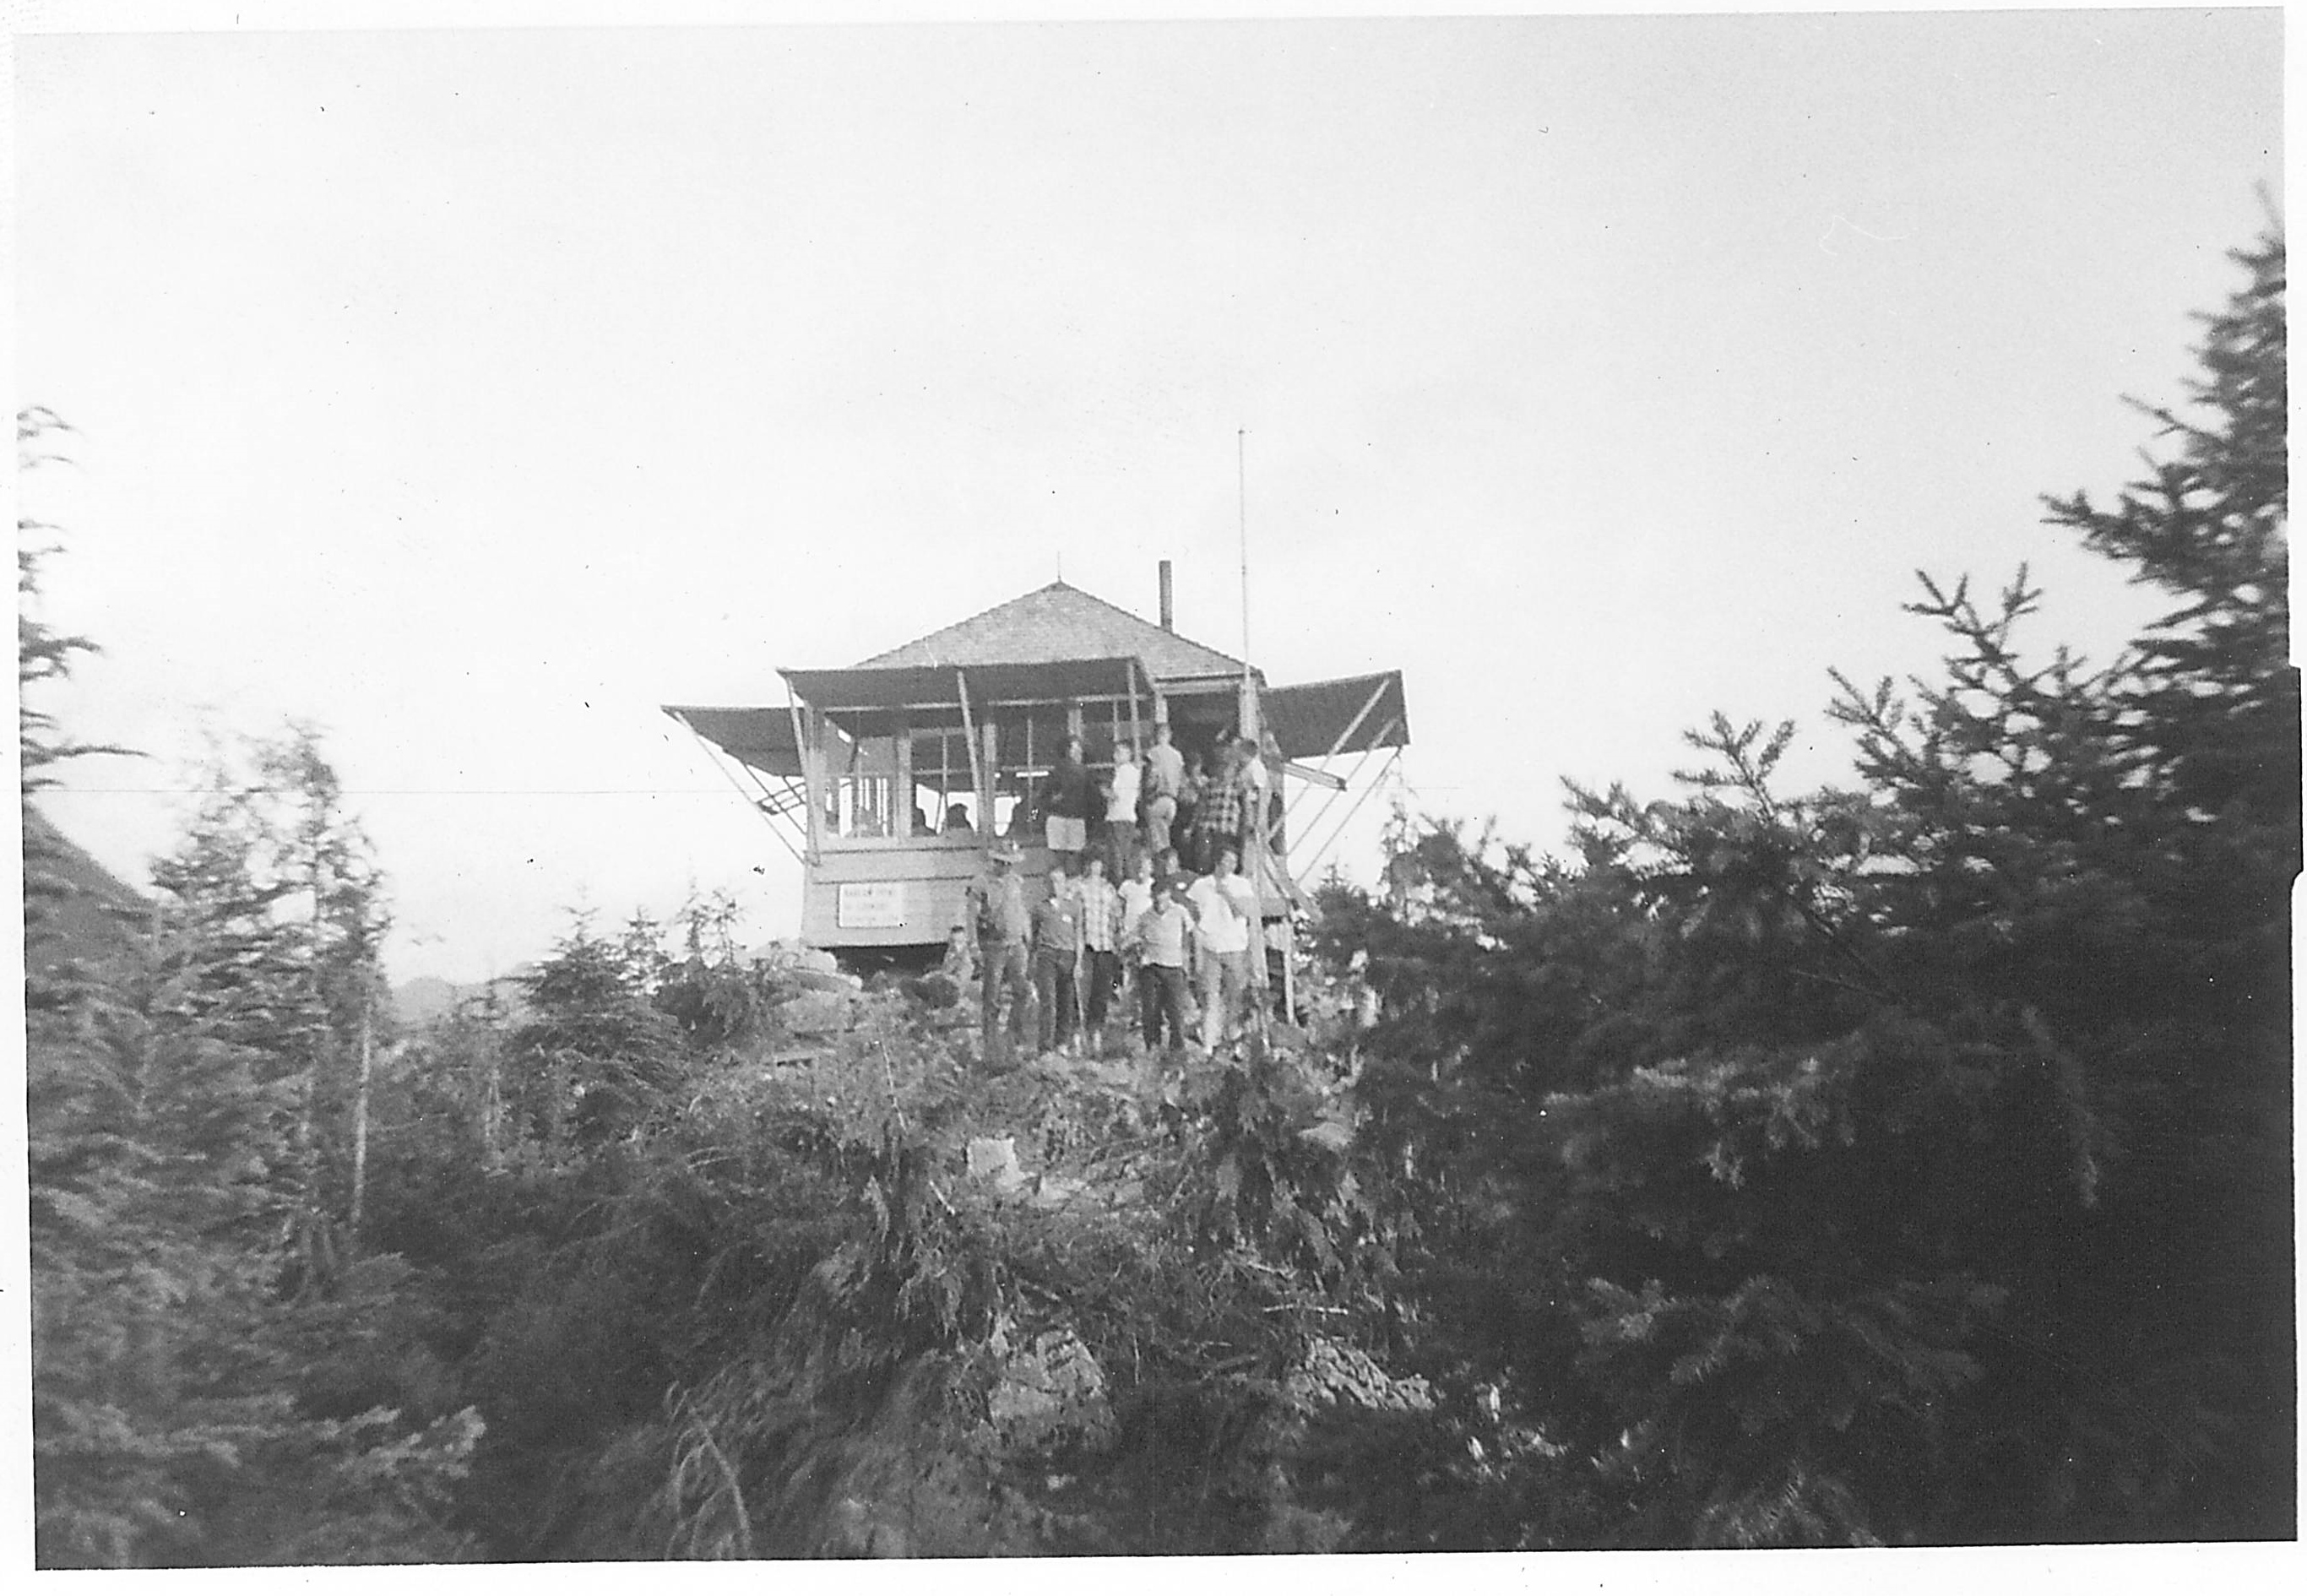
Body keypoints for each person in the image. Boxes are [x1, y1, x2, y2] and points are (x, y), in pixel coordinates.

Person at [965, 843, 1033, 1069]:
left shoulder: (1015, 882)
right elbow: (971, 917)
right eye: (1003, 863)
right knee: (991, 997)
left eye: (1010, 863)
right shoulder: (981, 883)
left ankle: (1013, 1038)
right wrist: (973, 945)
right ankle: (991, 1047)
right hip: (994, 945)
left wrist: (1027, 936)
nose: (1007, 867)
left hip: (1016, 943)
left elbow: (1020, 909)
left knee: (1022, 991)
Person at [1186, 845, 1257, 1050]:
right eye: (1228, 861)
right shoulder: (1201, 885)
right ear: (1218, 862)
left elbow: (1243, 912)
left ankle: (1233, 1042)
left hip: (1234, 947)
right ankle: (1209, 1044)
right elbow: (1190, 910)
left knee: (1236, 997)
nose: (1232, 865)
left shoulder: (1242, 884)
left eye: (1234, 862)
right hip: (1210, 948)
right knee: (1210, 998)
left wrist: (1227, 894)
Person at [1132, 872, 1195, 1060]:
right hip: (1151, 966)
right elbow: (1136, 936)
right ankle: (1153, 1048)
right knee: (1150, 1010)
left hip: (1174, 966)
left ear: (1169, 895)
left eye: (1164, 896)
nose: (1160, 901)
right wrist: (1137, 948)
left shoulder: (1180, 912)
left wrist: (1188, 963)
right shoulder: (1145, 916)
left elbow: (1190, 936)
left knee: (1175, 1011)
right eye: (1157, 897)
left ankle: (1177, 1050)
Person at [1029, 863, 1085, 1055]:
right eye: (1051, 882)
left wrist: (1078, 963)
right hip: (1047, 955)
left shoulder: (1074, 907)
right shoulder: (1040, 908)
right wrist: (1032, 963)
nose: (1055, 886)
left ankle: (1062, 1043)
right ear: (1046, 884)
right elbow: (1033, 937)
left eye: (1059, 881)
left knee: (1066, 1002)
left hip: (1067, 956)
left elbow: (1079, 936)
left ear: (1065, 883)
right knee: (1048, 1001)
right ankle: (1045, 1046)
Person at [1074, 854, 1121, 1050]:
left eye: (1099, 863)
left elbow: (1116, 914)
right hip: (1087, 943)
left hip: (1106, 944)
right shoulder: (1079, 886)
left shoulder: (1109, 888)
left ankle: (1097, 1030)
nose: (1096, 867)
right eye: (1093, 863)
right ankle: (1078, 1031)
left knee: (1101, 991)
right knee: (1083, 990)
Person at [1045, 736, 1094, 875]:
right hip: (1064, 819)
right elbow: (1043, 798)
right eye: (1075, 748)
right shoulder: (1076, 772)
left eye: (1079, 748)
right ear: (1067, 751)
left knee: (1063, 859)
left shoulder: (1080, 772)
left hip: (1071, 819)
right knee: (1069, 859)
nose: (1078, 752)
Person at [1142, 721, 1185, 861]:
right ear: (1169, 736)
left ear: (1155, 736)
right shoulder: (1178, 756)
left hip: (1158, 799)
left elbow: (1151, 777)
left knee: (1157, 843)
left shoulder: (1153, 753)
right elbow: (1182, 779)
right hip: (1172, 801)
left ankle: (1162, 868)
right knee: (1166, 837)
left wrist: (1145, 794)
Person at [1104, 742, 1142, 880]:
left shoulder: (1122, 772)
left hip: (1117, 817)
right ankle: (1129, 881)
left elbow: (1115, 795)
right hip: (1129, 816)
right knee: (1126, 854)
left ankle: (1119, 883)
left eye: (1119, 752)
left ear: (1128, 754)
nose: (1115, 756)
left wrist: (1103, 791)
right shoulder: (1135, 772)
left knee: (1117, 855)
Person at [1175, 751, 1206, 873]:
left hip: (1196, 813)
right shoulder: (1180, 778)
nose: (1195, 769)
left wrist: (1196, 783)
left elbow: (1204, 796)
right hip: (1182, 811)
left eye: (1197, 766)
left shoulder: (1203, 779)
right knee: (1182, 844)